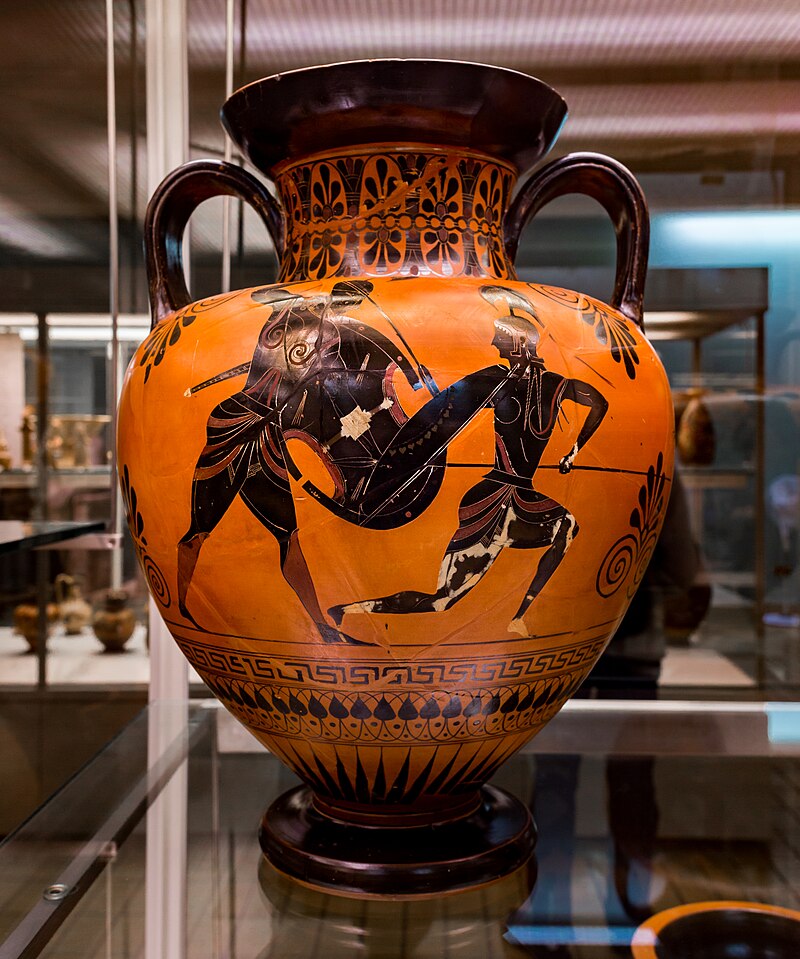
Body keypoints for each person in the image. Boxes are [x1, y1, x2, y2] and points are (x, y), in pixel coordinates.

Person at [330, 285, 609, 636]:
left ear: (519, 343)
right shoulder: (495, 382)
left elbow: (599, 402)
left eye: (500, 339)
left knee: (567, 527)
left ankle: (518, 619)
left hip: (522, 496)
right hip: (491, 499)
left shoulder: (554, 384)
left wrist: (574, 450)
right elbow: (440, 418)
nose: (493, 344)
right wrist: (399, 466)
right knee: (442, 601)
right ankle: (347, 609)